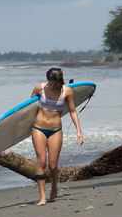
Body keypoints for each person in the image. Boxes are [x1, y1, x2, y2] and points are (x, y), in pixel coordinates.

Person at [31, 68, 83, 206]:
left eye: (55, 83)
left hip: (55, 130)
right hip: (38, 128)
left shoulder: (67, 91)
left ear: (60, 80)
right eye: (50, 83)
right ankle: (42, 197)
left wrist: (79, 130)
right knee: (41, 162)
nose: (52, 86)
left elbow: (73, 111)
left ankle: (54, 184)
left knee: (53, 165)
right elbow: (28, 109)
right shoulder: (39, 88)